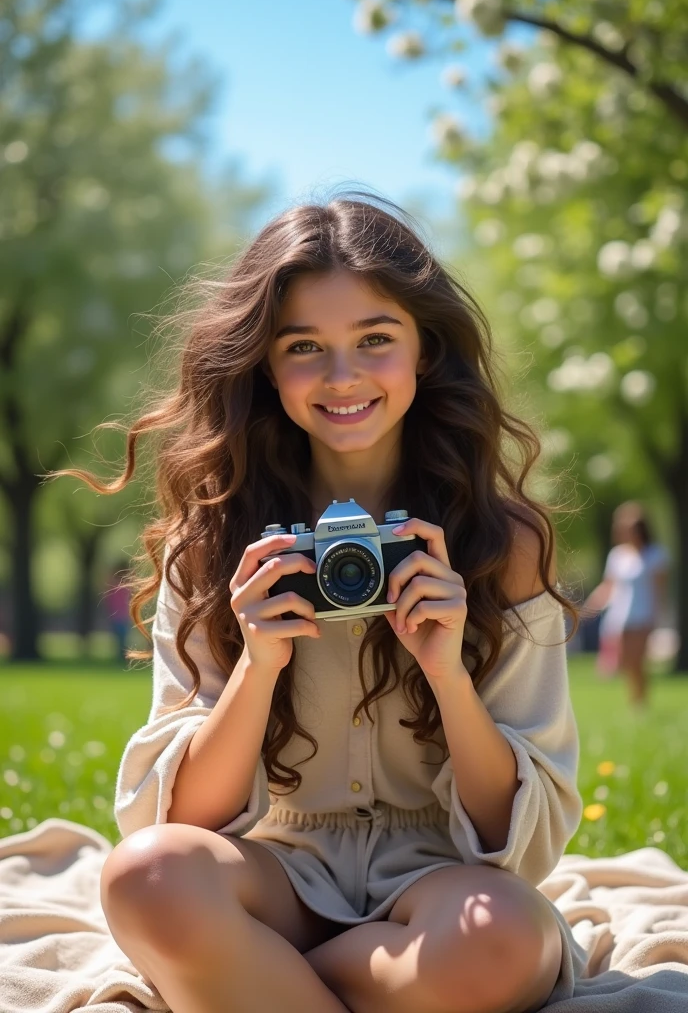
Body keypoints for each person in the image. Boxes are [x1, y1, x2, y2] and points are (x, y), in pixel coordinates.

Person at [54, 192, 585, 1013]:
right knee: (146, 876)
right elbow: (181, 821)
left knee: (509, 936)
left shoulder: (500, 543)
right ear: (266, 365)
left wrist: (447, 674)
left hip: (439, 884)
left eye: (376, 339)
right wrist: (258, 666)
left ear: (425, 350)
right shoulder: (218, 543)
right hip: (277, 876)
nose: (343, 378)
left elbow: (518, 848)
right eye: (305, 347)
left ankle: (261, 987)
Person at [582, 501, 670, 707]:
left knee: (637, 660)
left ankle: (640, 702)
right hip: (621, 617)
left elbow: (659, 592)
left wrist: (657, 620)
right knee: (626, 663)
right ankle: (636, 701)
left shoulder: (655, 555)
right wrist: (588, 606)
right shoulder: (617, 556)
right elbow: (608, 587)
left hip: (643, 615)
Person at [104, 562, 132, 662]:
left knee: (121, 638)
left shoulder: (124, 585)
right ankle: (121, 656)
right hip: (119, 615)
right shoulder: (119, 585)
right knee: (120, 637)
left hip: (122, 615)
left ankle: (122, 656)